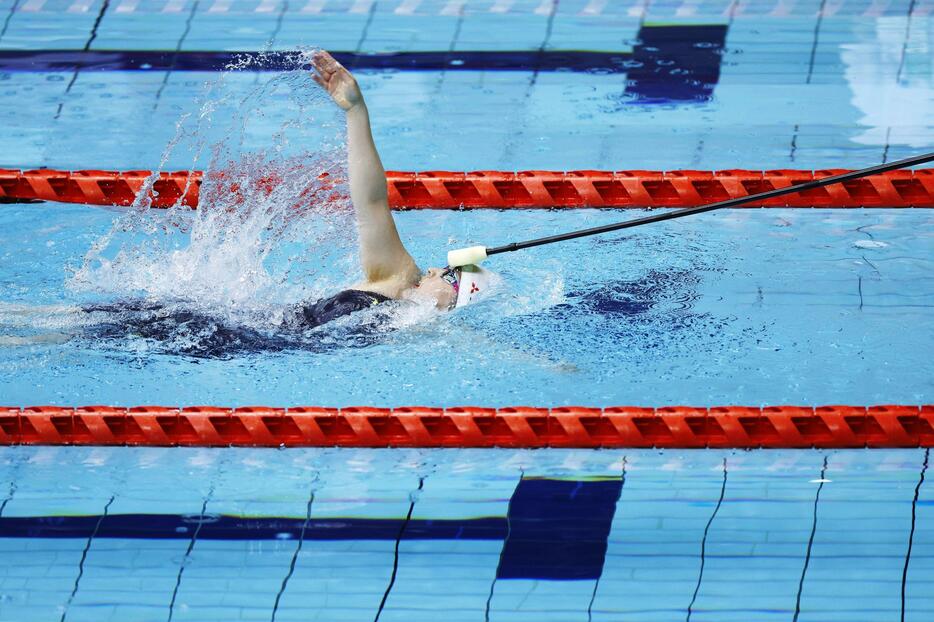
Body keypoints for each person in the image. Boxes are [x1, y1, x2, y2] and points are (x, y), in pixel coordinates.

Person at [300, 50, 490, 326]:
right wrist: (356, 110)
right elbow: (372, 203)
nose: (436, 270)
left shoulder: (422, 329)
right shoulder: (397, 277)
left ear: (454, 300)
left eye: (449, 276)